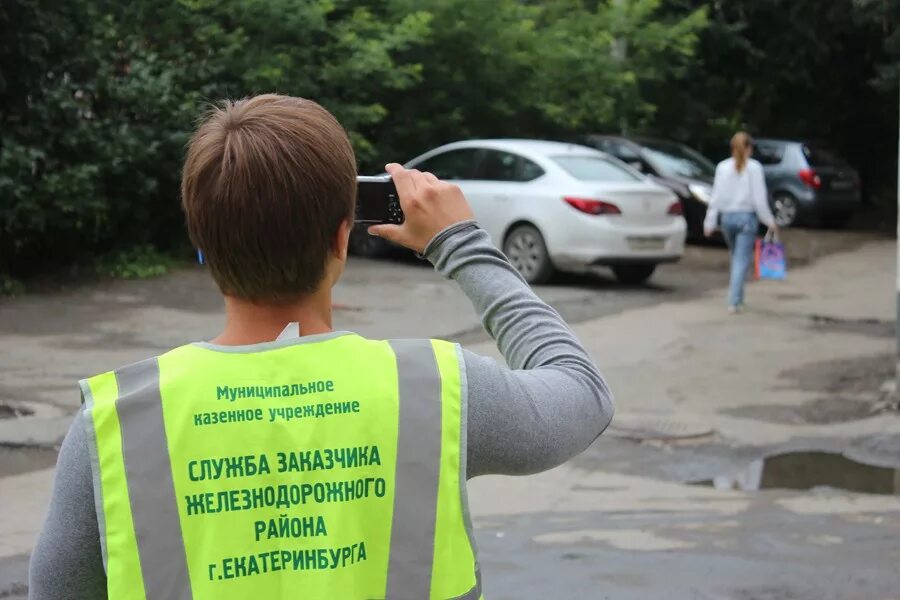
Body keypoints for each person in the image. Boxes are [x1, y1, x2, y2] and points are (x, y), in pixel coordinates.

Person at [28, 94, 614, 599]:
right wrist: (459, 243)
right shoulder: (435, 390)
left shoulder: (114, 427)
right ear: (342, 237)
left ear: (201, 242)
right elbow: (581, 391)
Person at [703, 131, 778, 313]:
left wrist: (710, 222)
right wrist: (769, 220)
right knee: (741, 260)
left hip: (727, 218)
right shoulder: (754, 168)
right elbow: (759, 198)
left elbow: (716, 196)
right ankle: (734, 301)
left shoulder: (722, 167)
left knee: (736, 257)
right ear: (749, 148)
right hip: (747, 219)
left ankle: (739, 298)